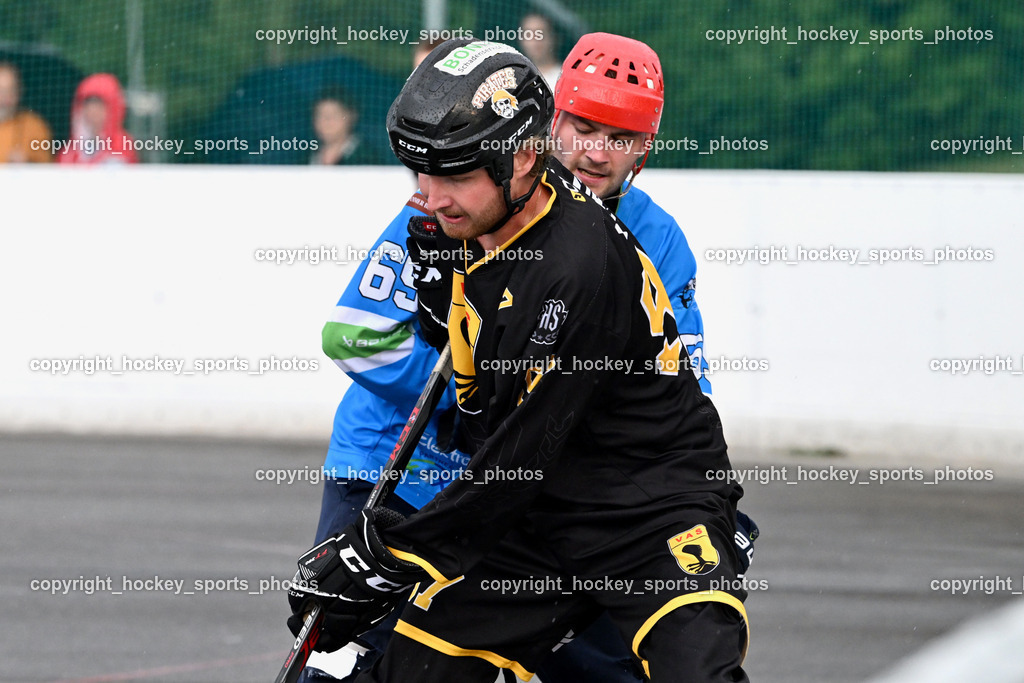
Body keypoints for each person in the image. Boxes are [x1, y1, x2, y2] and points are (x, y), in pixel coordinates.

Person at [289, 39, 749, 682]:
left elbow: (522, 449)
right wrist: (436, 302)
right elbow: (377, 337)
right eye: (584, 127)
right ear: (546, 130)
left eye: (620, 136)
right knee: (394, 670)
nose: (595, 152)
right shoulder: (468, 196)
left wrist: (387, 554)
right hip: (498, 497)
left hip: (625, 508)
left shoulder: (584, 257)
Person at [57, 73, 138, 164]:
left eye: (99, 106)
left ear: (113, 108)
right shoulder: (70, 151)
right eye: (88, 105)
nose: (92, 112)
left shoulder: (122, 145)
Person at [0, 61, 53, 163]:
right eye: (0, 91)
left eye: (11, 90)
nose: (5, 98)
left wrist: (28, 163)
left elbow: (47, 168)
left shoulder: (34, 126)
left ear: (19, 92)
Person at [310, 86, 367, 166]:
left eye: (333, 115)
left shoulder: (367, 157)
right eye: (320, 115)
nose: (325, 122)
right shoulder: (305, 158)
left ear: (351, 116)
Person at [518, 14, 561, 89]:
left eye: (540, 34)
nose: (534, 41)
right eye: (528, 35)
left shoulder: (564, 77)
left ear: (553, 38)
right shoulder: (514, 78)